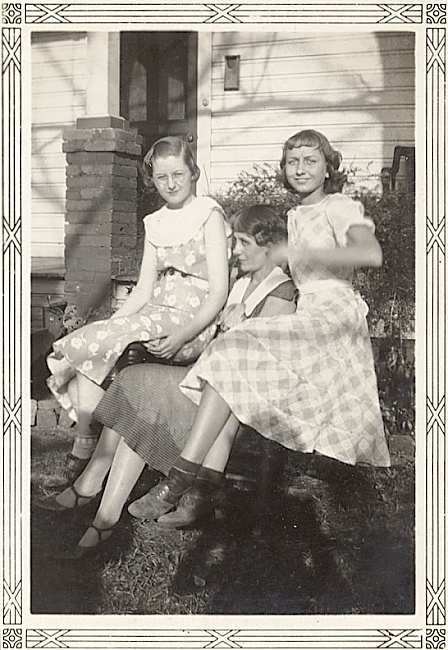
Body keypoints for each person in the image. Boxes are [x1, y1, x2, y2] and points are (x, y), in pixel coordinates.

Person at [129, 128, 391, 528]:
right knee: (228, 358)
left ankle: (179, 483)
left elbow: (371, 254)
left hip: (334, 316)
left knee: (233, 351)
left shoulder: (340, 206)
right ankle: (187, 483)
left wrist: (297, 251)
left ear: (327, 168)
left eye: (310, 160)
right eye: (292, 161)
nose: (300, 169)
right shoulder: (295, 214)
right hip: (307, 313)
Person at [36, 205, 298, 559]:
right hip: (204, 381)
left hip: (229, 402)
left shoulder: (281, 291)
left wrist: (247, 325)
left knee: (144, 396)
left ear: (268, 246)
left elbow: (266, 363)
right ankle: (101, 512)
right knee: (134, 381)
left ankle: (97, 507)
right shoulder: (242, 285)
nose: (234, 251)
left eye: (242, 243)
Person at [45, 136, 230, 487]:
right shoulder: (155, 222)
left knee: (101, 341)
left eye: (178, 174)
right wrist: (113, 326)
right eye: (162, 178)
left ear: (194, 173)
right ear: (153, 181)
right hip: (157, 314)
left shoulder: (208, 214)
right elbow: (144, 290)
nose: (171, 184)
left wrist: (182, 335)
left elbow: (219, 292)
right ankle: (85, 441)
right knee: (93, 341)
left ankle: (86, 453)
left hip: (192, 323)